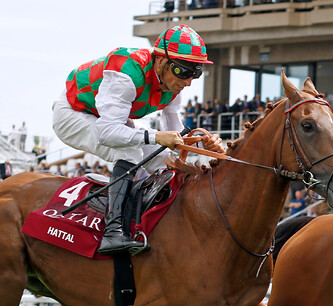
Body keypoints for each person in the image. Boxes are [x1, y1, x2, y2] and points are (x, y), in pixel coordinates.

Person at [52, 24, 224, 255]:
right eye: (183, 71)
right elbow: (107, 132)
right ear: (161, 61)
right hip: (72, 113)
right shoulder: (126, 74)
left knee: (163, 158)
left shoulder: (172, 83)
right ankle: (113, 233)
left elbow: (176, 135)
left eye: (196, 72)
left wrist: (203, 145)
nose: (188, 81)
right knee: (130, 150)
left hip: (109, 118)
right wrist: (156, 136)